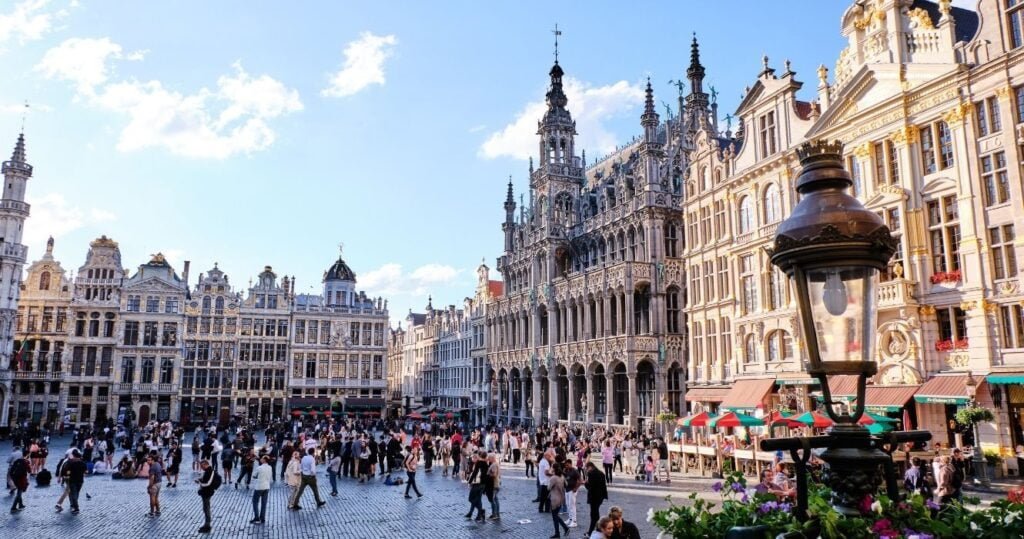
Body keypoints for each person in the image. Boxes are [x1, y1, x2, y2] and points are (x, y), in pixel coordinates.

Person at [585, 461, 609, 536]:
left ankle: (591, 531)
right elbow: (604, 486)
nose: (587, 470)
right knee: (596, 514)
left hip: (593, 497)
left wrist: (586, 483)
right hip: (600, 497)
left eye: (587, 468)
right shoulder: (601, 473)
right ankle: (598, 529)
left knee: (593, 515)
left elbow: (590, 487)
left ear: (590, 467)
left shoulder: (591, 474)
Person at [196, 459, 218, 534]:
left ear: (205, 464)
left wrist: (200, 482)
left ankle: (207, 525)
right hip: (205, 492)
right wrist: (200, 480)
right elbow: (205, 480)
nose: (201, 468)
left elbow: (208, 483)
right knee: (205, 508)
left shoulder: (211, 471)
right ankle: (206, 524)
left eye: (202, 466)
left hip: (207, 492)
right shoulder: (207, 471)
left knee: (206, 508)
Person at [62, 449, 87, 516]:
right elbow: (86, 471)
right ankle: (73, 504)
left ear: (73, 455)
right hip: (80, 481)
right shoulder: (82, 463)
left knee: (74, 494)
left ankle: (76, 507)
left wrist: (67, 475)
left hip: (72, 480)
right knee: (76, 493)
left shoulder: (71, 463)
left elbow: (67, 471)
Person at [549, 463, 570, 538]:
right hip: (561, 498)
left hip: (554, 499)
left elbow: (549, 487)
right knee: (555, 516)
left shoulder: (553, 478)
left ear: (553, 469)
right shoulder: (562, 476)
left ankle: (564, 529)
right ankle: (558, 532)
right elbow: (566, 484)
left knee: (555, 516)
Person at [465, 451, 488, 521]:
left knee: (471, 499)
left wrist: (469, 482)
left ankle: (480, 511)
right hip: (483, 484)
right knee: (478, 499)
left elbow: (475, 472)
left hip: (477, 483)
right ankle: (477, 514)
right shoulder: (486, 464)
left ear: (479, 456)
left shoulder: (479, 463)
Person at [250, 456, 272, 524]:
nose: (261, 459)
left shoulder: (259, 468)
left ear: (264, 460)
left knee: (255, 502)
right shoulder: (270, 467)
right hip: (267, 486)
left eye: (262, 458)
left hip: (259, 487)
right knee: (264, 503)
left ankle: (257, 517)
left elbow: (254, 475)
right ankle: (262, 518)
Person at [564, 456, 581, 528]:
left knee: (572, 505)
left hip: (572, 490)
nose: (566, 466)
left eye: (567, 465)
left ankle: (574, 521)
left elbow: (580, 480)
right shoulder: (566, 471)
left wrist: (576, 488)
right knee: (568, 505)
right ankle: (570, 518)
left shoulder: (575, 471)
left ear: (571, 464)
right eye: (566, 465)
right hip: (567, 489)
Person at [487, 452, 502, 521]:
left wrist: (488, 474)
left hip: (494, 484)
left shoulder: (494, 465)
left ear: (492, 458)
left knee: (494, 500)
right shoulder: (495, 464)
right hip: (496, 484)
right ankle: (495, 513)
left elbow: (494, 474)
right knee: (495, 499)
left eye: (489, 458)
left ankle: (495, 514)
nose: (488, 459)